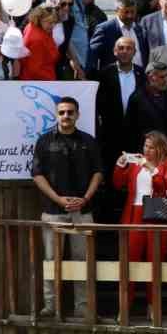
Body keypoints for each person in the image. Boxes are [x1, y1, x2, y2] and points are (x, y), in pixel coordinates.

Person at [31, 97, 104, 318]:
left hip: (82, 212)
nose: (66, 116)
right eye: (62, 112)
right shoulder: (44, 141)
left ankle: (82, 307)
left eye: (70, 112)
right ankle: (51, 306)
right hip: (53, 211)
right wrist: (58, 199)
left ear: (77, 115)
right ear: (56, 114)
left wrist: (85, 198)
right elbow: (36, 175)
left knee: (83, 261)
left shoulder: (88, 141)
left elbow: (98, 173)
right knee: (51, 261)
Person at [115, 132, 167, 311]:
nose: (147, 150)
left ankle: (153, 306)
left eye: (151, 147)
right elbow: (118, 183)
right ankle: (125, 306)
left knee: (155, 262)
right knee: (130, 261)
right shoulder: (137, 163)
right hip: (133, 214)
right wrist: (120, 166)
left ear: (160, 148)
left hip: (155, 214)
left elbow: (165, 186)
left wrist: (151, 168)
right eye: (145, 146)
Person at [17, 5, 60, 81]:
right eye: (49, 22)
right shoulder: (37, 40)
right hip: (40, 82)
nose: (53, 25)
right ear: (39, 19)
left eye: (54, 22)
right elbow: (35, 69)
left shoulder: (33, 26)